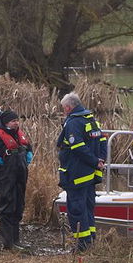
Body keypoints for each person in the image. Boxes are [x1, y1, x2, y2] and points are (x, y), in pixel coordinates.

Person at [0, 109, 33, 250]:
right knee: (7, 207)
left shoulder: (18, 134)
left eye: (17, 120)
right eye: (13, 121)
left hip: (20, 174)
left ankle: (16, 241)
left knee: (18, 207)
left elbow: (28, 145)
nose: (16, 123)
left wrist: (29, 154)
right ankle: (8, 243)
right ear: (5, 122)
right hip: (5, 175)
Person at [56, 92, 103, 252]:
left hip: (77, 173)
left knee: (76, 208)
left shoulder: (74, 123)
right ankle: (91, 239)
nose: (64, 111)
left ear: (69, 107)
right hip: (89, 173)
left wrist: (95, 161)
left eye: (64, 108)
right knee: (88, 206)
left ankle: (82, 244)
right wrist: (99, 160)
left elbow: (77, 147)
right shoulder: (90, 119)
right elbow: (102, 140)